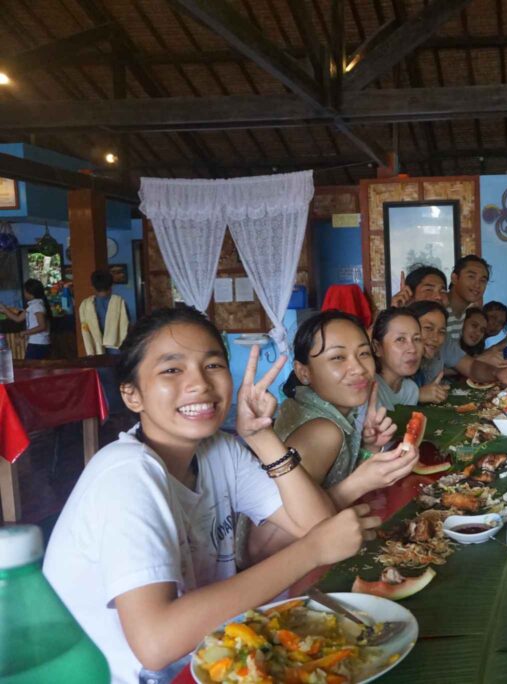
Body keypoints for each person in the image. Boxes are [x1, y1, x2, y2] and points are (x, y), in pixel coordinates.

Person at [42, 306, 382, 684]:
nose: (199, 384)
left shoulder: (220, 450)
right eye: (172, 369)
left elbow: (316, 524)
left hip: (209, 659)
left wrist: (262, 437)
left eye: (213, 365)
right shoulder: (126, 474)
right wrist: (312, 551)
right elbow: (156, 643)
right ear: (132, 395)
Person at [246, 310, 419, 562]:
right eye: (337, 357)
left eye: (363, 354)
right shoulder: (322, 431)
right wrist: (359, 483)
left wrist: (368, 447)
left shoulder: (316, 407)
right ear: (304, 372)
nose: (358, 368)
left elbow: (330, 480)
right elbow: (261, 546)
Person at [409, 300, 507, 395]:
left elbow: (471, 366)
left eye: (442, 331)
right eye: (428, 328)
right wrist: (417, 395)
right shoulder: (395, 356)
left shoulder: (445, 344)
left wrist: (497, 372)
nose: (435, 338)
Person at [371, 307, 424, 410]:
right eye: (400, 339)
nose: (412, 349)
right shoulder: (370, 389)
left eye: (417, 339)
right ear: (377, 348)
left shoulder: (411, 390)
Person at [79, 269, 130, 355]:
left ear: (92, 287)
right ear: (111, 286)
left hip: (96, 348)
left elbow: (85, 329)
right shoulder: (120, 302)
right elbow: (127, 325)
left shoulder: (85, 305)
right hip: (117, 349)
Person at [0, 278, 51, 359]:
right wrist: (5, 310)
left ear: (30, 293)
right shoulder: (32, 306)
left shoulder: (37, 306)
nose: (24, 293)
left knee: (32, 369)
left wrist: (24, 333)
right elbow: (18, 318)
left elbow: (42, 326)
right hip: (36, 343)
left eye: (24, 291)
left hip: (39, 344)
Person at [446, 255, 490, 342]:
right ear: (454, 278)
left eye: (482, 280)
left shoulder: (464, 314)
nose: (477, 285)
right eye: (471, 277)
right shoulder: (438, 309)